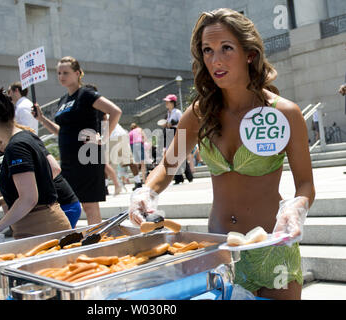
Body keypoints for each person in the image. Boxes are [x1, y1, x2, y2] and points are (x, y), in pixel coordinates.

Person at [128, 8, 315, 300]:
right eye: (207, 50)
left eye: (226, 48)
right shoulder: (199, 113)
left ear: (249, 54)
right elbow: (168, 165)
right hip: (220, 252)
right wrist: (146, 191)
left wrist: (296, 207)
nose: (215, 60)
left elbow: (306, 184)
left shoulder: (284, 114)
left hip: (273, 253)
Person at [0, 84, 71, 240]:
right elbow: (52, 170)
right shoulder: (27, 136)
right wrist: (1, 200)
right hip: (48, 223)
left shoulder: (16, 146)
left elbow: (29, 198)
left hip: (39, 229)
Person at [32, 56, 122, 225]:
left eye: (66, 72)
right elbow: (62, 131)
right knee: (67, 203)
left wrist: (103, 138)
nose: (61, 76)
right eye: (59, 73)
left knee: (89, 205)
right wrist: (42, 119)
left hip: (87, 157)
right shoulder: (62, 100)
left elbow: (115, 111)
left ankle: (96, 241)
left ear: (78, 73)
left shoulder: (86, 94)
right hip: (68, 161)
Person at [162, 94, 193, 184]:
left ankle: (188, 175)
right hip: (169, 134)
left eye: (168, 101)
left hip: (176, 133)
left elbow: (182, 122)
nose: (166, 103)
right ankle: (178, 178)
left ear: (173, 103)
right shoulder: (168, 113)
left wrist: (173, 123)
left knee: (180, 155)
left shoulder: (177, 112)